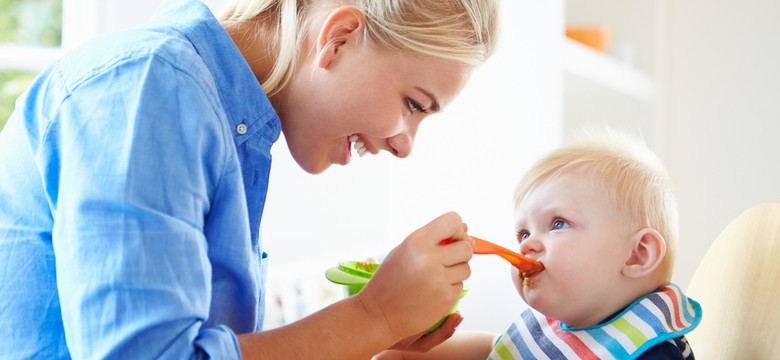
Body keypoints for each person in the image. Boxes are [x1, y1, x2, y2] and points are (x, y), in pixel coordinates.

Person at [0, 0, 499, 358]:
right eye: (414, 104)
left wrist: (366, 334)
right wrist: (372, 317)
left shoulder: (216, 117)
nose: (404, 144)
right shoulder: (148, 87)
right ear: (338, 37)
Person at [376, 129, 703, 359]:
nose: (528, 244)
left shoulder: (650, 350)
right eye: (522, 234)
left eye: (558, 224)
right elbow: (499, 350)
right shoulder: (545, 331)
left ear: (638, 254)